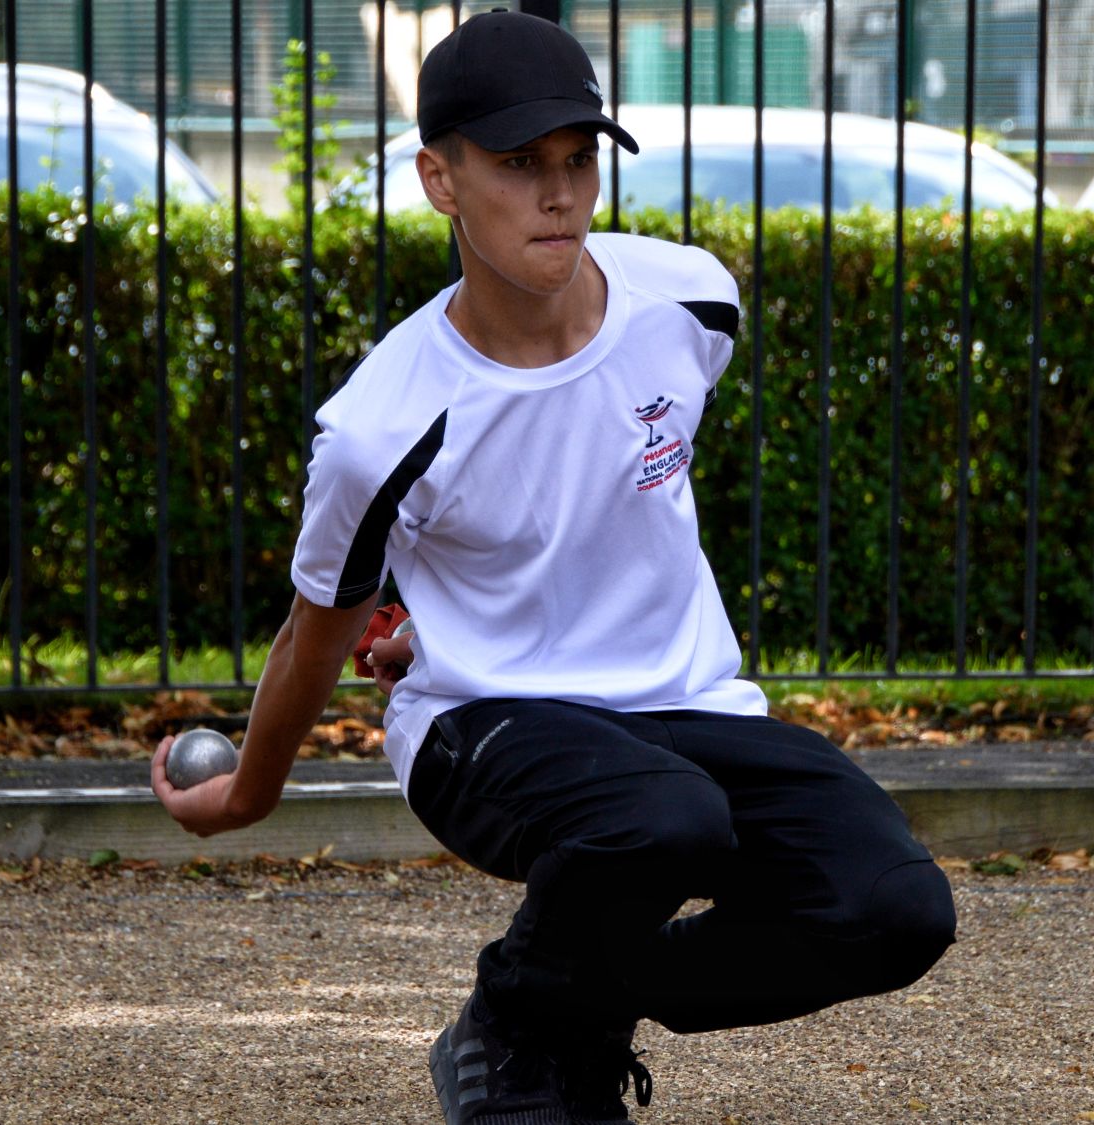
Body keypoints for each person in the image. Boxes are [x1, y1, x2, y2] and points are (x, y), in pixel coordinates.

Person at [152, 11, 956, 1123]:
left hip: (682, 706)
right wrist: (248, 789)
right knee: (664, 820)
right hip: (484, 722)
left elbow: (595, 485)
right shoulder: (383, 425)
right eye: (519, 165)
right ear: (439, 179)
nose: (560, 193)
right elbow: (316, 631)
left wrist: (445, 588)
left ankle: (558, 1007)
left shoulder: (685, 302)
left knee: (894, 909)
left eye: (578, 160)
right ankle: (522, 1040)